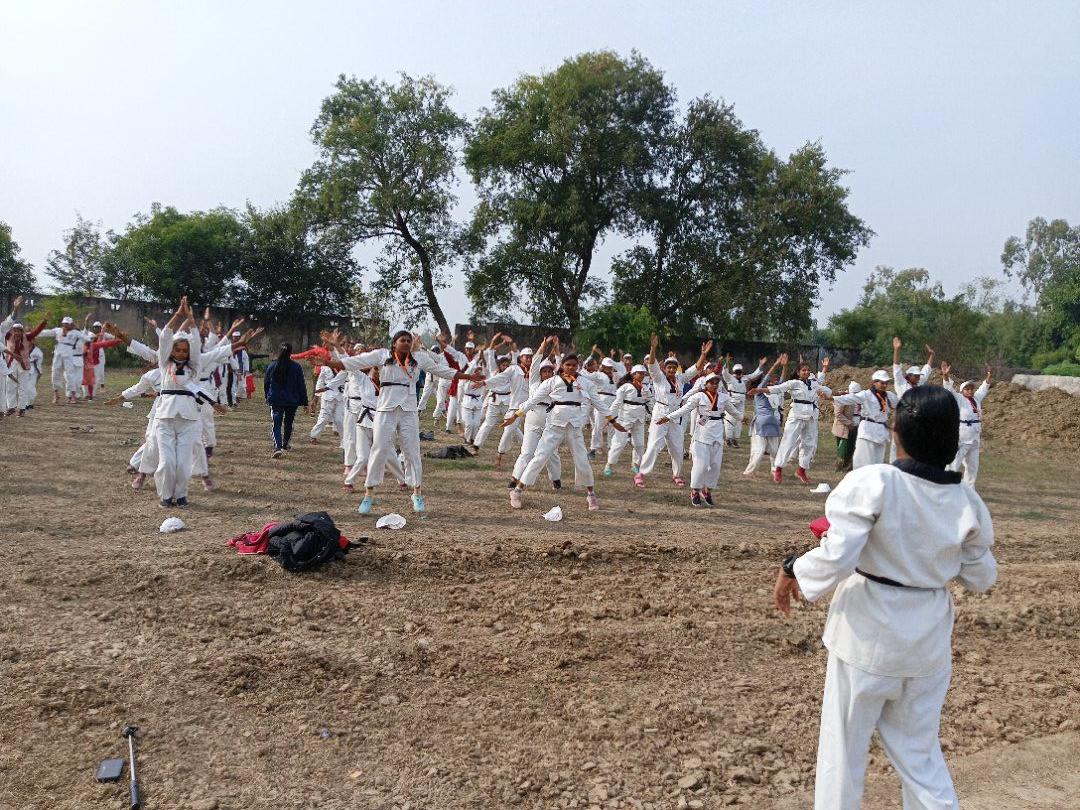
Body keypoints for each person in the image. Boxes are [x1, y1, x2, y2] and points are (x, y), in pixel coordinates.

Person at [773, 384, 996, 809]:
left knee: (843, 753)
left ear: (897, 432)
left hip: (866, 633)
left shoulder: (875, 482)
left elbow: (838, 554)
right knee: (920, 757)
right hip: (926, 642)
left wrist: (792, 569)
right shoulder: (966, 501)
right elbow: (982, 576)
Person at [326, 330, 482, 515]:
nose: (407, 343)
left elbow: (442, 370)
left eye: (409, 340)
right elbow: (354, 362)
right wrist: (328, 362)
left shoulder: (419, 358)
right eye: (403, 340)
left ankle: (417, 493)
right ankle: (369, 494)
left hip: (408, 410)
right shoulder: (382, 355)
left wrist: (468, 377)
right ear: (394, 343)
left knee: (412, 450)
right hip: (386, 409)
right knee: (379, 448)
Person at [502, 353, 626, 511]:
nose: (571, 368)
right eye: (568, 365)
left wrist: (613, 421)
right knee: (540, 457)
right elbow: (533, 400)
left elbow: (598, 403)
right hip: (554, 424)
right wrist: (515, 415)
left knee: (582, 460)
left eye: (574, 365)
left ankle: (591, 494)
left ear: (578, 366)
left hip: (574, 426)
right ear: (562, 366)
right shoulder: (552, 382)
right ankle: (517, 491)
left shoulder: (585, 383)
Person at [634, 334, 711, 489]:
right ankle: (641, 474)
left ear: (676, 369)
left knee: (677, 447)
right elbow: (652, 365)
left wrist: (703, 355)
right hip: (660, 414)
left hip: (675, 416)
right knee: (654, 445)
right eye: (668, 367)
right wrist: (653, 348)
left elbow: (696, 369)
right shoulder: (659, 378)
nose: (671, 369)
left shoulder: (680, 379)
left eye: (674, 367)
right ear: (664, 368)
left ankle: (676, 474)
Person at [656, 373, 742, 507]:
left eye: (716, 383)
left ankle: (707, 490)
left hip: (717, 434)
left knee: (715, 465)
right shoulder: (698, 396)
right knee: (700, 465)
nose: (714, 385)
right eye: (711, 382)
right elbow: (685, 409)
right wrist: (669, 417)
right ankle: (695, 490)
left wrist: (742, 418)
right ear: (706, 384)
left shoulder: (724, 398)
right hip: (702, 434)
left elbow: (733, 411)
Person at [750, 356, 832, 484]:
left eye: (808, 370)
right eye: (803, 370)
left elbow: (821, 381)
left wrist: (825, 368)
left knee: (809, 444)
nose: (806, 372)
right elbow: (778, 388)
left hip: (811, 416)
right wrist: (759, 390)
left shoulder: (814, 383)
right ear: (798, 372)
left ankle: (802, 470)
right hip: (796, 415)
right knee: (788, 441)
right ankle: (778, 469)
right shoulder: (794, 383)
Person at [826, 372, 898, 469]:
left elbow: (901, 405)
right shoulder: (866, 394)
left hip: (881, 431)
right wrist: (831, 398)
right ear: (874, 382)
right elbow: (850, 398)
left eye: (886, 383)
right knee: (863, 461)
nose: (885, 385)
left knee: (878, 462)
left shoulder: (889, 396)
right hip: (867, 431)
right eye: (882, 383)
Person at [942, 362, 992, 485]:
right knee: (954, 462)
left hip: (975, 435)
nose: (970, 391)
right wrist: (946, 376)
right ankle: (946, 482)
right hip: (963, 435)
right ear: (962, 390)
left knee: (973, 465)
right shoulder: (959, 398)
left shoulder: (976, 398)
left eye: (971, 389)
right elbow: (948, 389)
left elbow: (984, 388)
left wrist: (989, 375)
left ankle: (970, 488)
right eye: (967, 389)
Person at [603, 364, 651, 479]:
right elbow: (617, 403)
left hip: (640, 418)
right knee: (619, 442)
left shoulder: (645, 388)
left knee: (639, 444)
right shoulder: (625, 387)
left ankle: (636, 464)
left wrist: (653, 415)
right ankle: (609, 465)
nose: (642, 375)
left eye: (644, 373)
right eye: (640, 373)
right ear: (633, 374)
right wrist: (609, 417)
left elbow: (649, 402)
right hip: (625, 417)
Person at [743, 354, 787, 476]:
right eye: (770, 382)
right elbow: (766, 378)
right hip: (760, 423)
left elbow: (782, 381)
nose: (772, 383)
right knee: (759, 450)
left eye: (773, 382)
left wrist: (784, 366)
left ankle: (775, 471)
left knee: (775, 451)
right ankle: (749, 472)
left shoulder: (775, 392)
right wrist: (775, 365)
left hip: (773, 423)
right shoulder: (759, 392)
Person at [264, 342, 310, 458]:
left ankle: (277, 447)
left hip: (276, 399)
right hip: (292, 400)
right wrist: (305, 402)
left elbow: (266, 383)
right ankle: (285, 445)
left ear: (279, 352)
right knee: (289, 423)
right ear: (290, 353)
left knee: (276, 423)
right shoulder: (296, 367)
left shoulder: (272, 365)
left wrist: (267, 396)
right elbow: (301, 385)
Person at [37, 313, 93, 404]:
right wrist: (35, 332)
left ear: (71, 324)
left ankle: (73, 395)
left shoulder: (76, 332)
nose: (65, 325)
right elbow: (45, 332)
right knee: (55, 373)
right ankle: (56, 394)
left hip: (69, 353)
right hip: (58, 352)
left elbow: (87, 338)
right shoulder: (58, 330)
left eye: (67, 324)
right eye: (64, 323)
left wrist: (91, 338)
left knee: (70, 375)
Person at [720, 355, 766, 447]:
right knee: (730, 419)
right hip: (731, 401)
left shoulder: (745, 378)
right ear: (734, 372)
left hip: (741, 401)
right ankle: (728, 439)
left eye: (740, 372)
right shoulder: (730, 378)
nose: (739, 374)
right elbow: (724, 372)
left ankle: (735, 439)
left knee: (739, 420)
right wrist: (727, 363)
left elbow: (754, 375)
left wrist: (760, 365)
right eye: (737, 372)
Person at [831, 381, 861, 472]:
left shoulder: (861, 399)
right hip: (845, 427)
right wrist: (849, 423)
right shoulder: (844, 399)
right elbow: (838, 414)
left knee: (853, 446)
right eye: (854, 393)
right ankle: (840, 466)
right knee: (843, 448)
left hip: (857, 426)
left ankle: (850, 465)